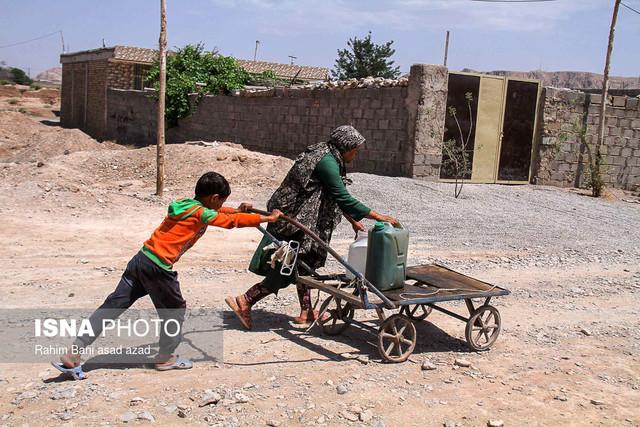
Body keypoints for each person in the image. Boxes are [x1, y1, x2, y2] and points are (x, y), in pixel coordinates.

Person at [56, 172, 281, 374]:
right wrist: (266, 219)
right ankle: (165, 358)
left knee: (114, 305)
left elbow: (221, 212)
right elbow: (228, 221)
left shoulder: (186, 204)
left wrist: (238, 210)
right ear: (213, 197)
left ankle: (74, 351)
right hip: (159, 268)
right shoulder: (201, 213)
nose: (221, 204)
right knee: (175, 310)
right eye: (221, 199)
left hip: (141, 260)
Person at [226, 125, 398, 329]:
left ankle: (306, 312)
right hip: (294, 220)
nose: (356, 154)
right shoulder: (326, 161)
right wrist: (377, 215)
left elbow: (329, 193)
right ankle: (245, 300)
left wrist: (352, 220)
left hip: (302, 218)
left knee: (304, 265)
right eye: (355, 149)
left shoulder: (329, 155)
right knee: (286, 267)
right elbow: (342, 196)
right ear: (345, 146)